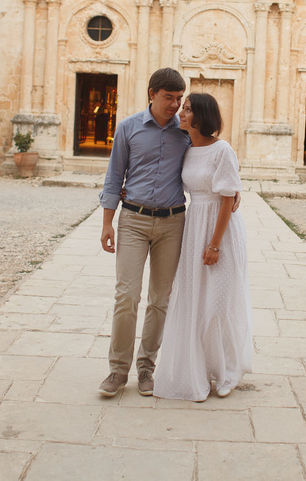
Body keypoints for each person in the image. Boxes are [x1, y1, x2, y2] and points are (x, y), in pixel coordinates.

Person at [153, 93, 252, 402]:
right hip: (194, 225)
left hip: (219, 231)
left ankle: (228, 372)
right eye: (182, 109)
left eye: (187, 109)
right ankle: (204, 369)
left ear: (201, 116)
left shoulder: (222, 150)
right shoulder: (187, 149)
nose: (180, 113)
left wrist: (215, 244)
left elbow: (226, 197)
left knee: (218, 308)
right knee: (197, 303)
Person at [97, 68, 188, 398]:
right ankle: (117, 370)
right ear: (152, 94)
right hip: (133, 220)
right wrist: (108, 223)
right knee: (126, 296)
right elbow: (113, 178)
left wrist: (230, 188)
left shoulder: (187, 131)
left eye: (179, 99)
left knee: (160, 300)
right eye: (169, 98)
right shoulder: (128, 128)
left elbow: (211, 154)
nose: (175, 105)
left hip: (172, 223)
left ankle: (147, 367)